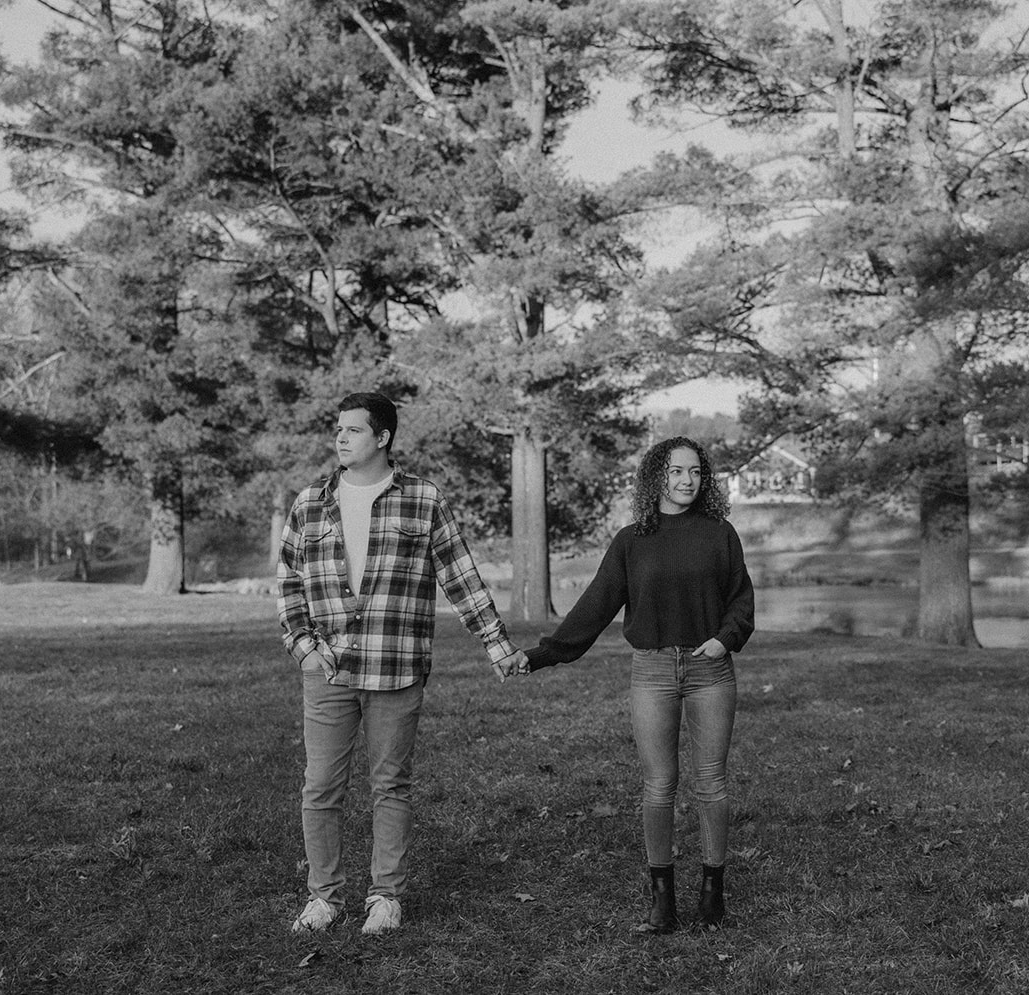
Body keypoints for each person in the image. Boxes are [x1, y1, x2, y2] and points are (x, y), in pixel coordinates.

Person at [277, 391, 529, 936]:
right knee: (320, 787)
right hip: (329, 670)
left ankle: (385, 896)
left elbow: (461, 575)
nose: (340, 438)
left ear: (383, 437)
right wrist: (303, 646)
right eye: (337, 429)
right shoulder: (309, 503)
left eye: (352, 430)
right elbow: (289, 585)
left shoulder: (423, 499)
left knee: (390, 784)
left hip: (396, 667)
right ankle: (324, 898)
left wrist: (496, 643)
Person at [522, 436, 754, 934]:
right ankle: (662, 900)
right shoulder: (631, 541)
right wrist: (542, 656)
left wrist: (724, 639)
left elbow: (741, 600)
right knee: (658, 786)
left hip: (710, 670)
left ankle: (713, 892)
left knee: (710, 783)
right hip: (651, 672)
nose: (687, 480)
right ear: (656, 477)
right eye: (675, 471)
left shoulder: (721, 534)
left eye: (695, 472)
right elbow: (594, 607)